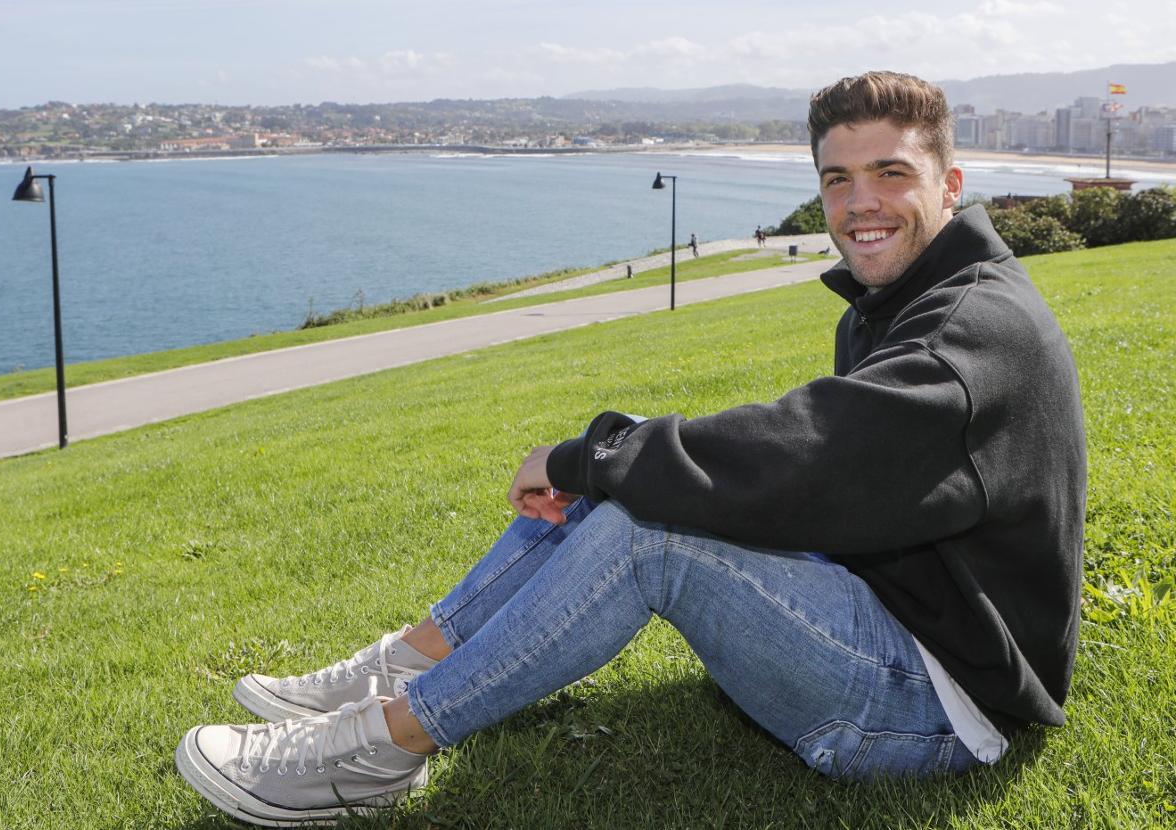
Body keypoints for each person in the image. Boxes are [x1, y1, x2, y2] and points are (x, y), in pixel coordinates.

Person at [176, 71, 1086, 825]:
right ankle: (411, 658)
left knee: (651, 524)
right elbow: (821, 470)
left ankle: (382, 747)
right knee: (641, 478)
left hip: (940, 705)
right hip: (893, 612)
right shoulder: (914, 296)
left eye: (890, 173)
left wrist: (586, 459)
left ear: (950, 184)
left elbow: (808, 457)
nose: (860, 205)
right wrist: (607, 465)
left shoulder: (966, 336)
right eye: (838, 179)